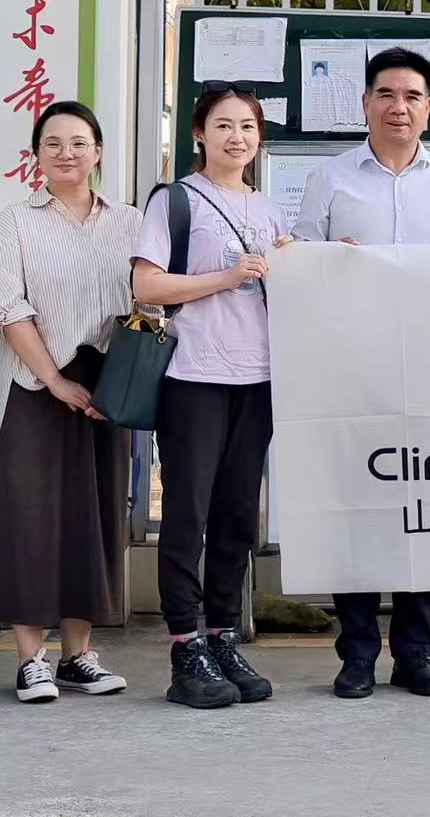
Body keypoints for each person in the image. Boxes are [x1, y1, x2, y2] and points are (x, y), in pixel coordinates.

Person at [294, 46, 430, 699]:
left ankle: (414, 652)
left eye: (411, 97)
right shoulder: (330, 178)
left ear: (429, 108)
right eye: (386, 94)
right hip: (352, 366)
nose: (398, 107)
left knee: (422, 504)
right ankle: (356, 654)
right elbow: (296, 261)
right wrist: (327, 258)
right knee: (358, 507)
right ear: (365, 103)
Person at [134, 85, 292, 710]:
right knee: (187, 514)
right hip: (194, 375)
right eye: (223, 125)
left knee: (236, 515)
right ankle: (185, 646)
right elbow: (147, 284)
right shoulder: (176, 200)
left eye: (248, 127)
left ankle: (223, 637)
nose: (237, 137)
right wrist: (225, 277)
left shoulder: (270, 211)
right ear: (199, 133)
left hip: (258, 379)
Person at [0, 102, 140, 704]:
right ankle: (31, 660)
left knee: (93, 517)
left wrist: (118, 386)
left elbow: (147, 302)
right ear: (36, 156)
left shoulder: (130, 222)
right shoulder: (14, 224)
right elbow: (4, 308)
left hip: (106, 391)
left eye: (78, 142)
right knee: (30, 518)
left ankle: (77, 655)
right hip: (34, 387)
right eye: (53, 144)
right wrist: (55, 380)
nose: (66, 153)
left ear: (98, 151)